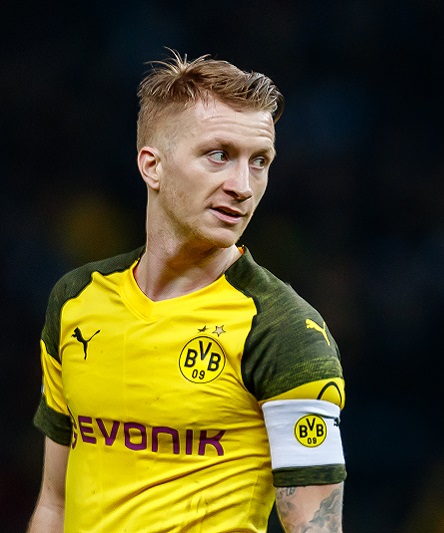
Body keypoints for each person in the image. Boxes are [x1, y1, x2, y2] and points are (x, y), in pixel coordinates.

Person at [27, 50, 347, 532]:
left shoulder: (284, 333)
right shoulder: (76, 300)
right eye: (219, 155)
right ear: (151, 166)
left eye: (259, 161)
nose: (243, 186)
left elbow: (315, 527)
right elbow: (55, 503)